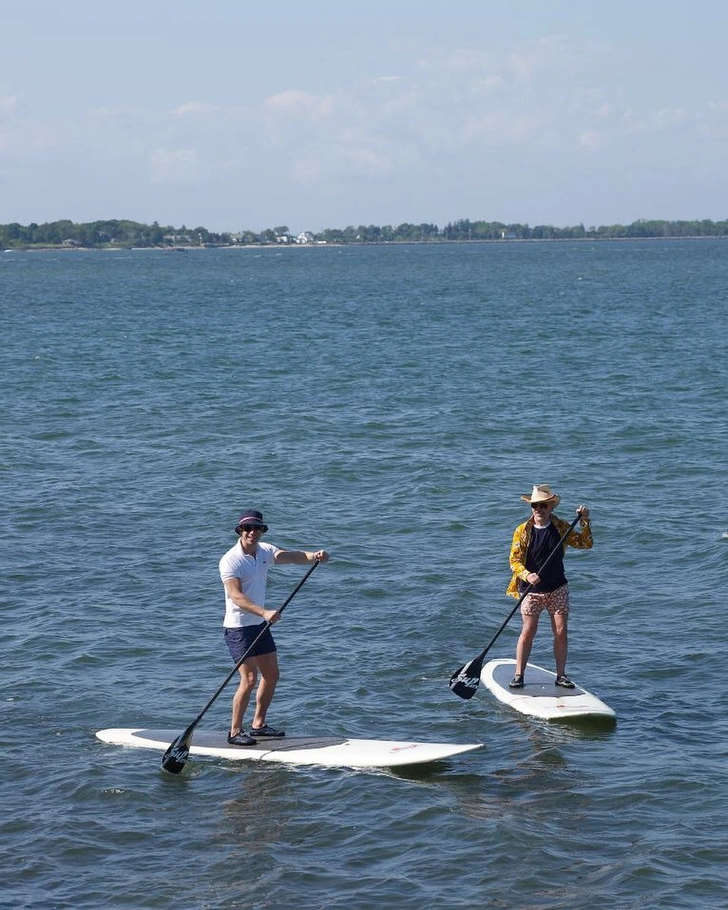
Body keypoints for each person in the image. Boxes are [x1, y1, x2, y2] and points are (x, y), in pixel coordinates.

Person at [218, 509, 329, 746]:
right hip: (238, 628)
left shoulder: (265, 550)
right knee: (248, 679)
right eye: (248, 528)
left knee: (271, 675)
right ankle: (235, 731)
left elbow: (290, 557)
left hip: (259, 625)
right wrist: (264, 612)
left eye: (257, 528)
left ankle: (258, 725)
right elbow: (236, 597)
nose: (253, 532)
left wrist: (313, 556)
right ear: (240, 531)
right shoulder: (230, 560)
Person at [506, 485, 592, 689]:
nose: (539, 509)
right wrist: (528, 575)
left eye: (543, 505)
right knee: (528, 631)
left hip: (557, 587)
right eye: (535, 505)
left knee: (561, 632)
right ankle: (519, 675)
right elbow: (514, 561)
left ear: (551, 507)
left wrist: (585, 521)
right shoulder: (522, 531)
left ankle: (561, 676)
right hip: (531, 590)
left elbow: (585, 543)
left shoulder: (561, 527)